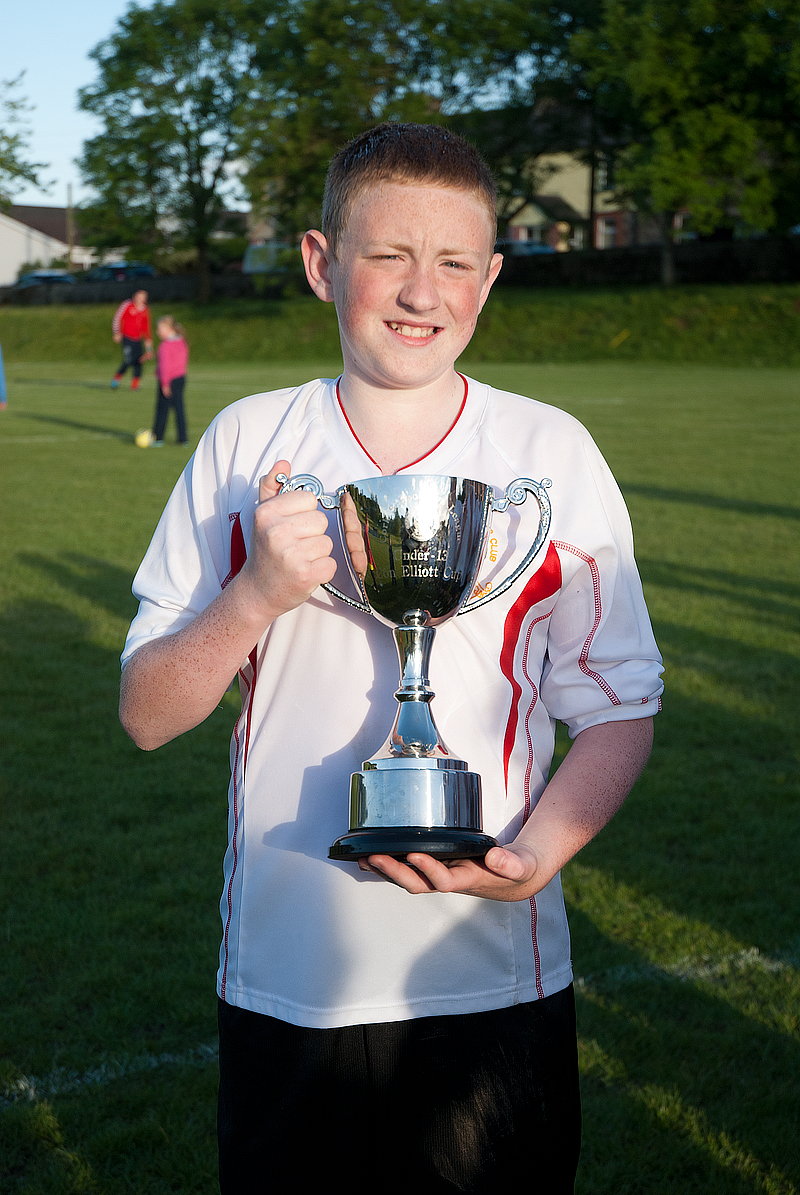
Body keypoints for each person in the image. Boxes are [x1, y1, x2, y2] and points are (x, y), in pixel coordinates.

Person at [119, 123, 663, 1194]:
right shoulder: (245, 445)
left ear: (490, 279)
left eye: (454, 262)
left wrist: (541, 853)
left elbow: (617, 708)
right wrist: (253, 596)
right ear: (323, 262)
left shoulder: (547, 455)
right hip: (286, 983)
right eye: (388, 256)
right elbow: (145, 712)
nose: (423, 292)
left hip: (488, 983)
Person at [136, 315, 189, 447]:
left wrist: (164, 384)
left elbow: (166, 366)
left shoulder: (165, 346)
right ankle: (183, 439)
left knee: (162, 409)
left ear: (168, 328)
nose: (157, 332)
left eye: (159, 328)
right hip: (180, 378)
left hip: (168, 381)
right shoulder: (181, 342)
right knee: (179, 408)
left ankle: (158, 438)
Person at [111, 289, 152, 391]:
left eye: (143, 297)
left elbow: (146, 325)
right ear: (135, 296)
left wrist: (148, 339)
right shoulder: (127, 305)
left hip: (138, 339)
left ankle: (135, 384)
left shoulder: (145, 309)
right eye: (139, 296)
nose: (141, 299)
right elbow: (117, 318)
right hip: (127, 338)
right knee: (128, 360)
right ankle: (116, 379)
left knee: (139, 361)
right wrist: (116, 332)